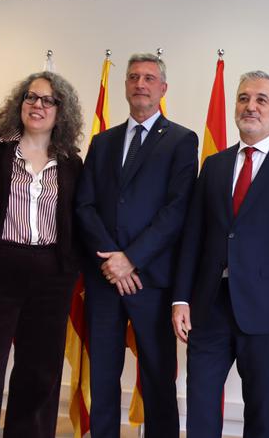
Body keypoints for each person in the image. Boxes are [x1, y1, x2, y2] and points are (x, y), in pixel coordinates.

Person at [172, 70, 269, 438]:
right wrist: (180, 298)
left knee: (259, 412)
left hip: (267, 311)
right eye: (243, 98)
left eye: (260, 100)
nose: (250, 106)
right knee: (200, 404)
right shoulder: (214, 165)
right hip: (209, 306)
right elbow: (194, 236)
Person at [0, 72, 83, 438]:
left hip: (51, 278)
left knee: (39, 376)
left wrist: (69, 269)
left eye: (48, 100)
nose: (37, 105)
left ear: (61, 111)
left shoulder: (70, 162)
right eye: (31, 97)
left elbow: (78, 219)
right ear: (19, 103)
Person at [76, 53, 198, 438]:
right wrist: (113, 261)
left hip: (152, 280)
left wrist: (131, 259)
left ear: (163, 88)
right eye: (133, 77)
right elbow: (84, 205)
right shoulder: (102, 142)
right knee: (103, 376)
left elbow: (176, 210)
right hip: (104, 279)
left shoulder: (181, 140)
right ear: (125, 85)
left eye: (148, 78)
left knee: (158, 378)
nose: (140, 84)